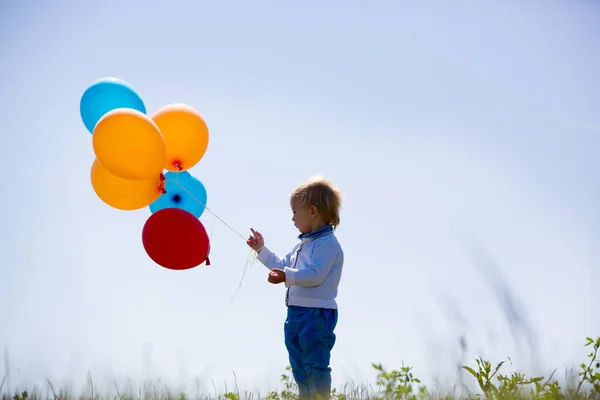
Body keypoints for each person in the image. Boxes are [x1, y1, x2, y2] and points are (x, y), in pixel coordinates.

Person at [247, 175, 344, 400]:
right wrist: (261, 250)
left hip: (317, 315)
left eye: (294, 212)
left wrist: (285, 276)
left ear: (312, 211)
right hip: (296, 313)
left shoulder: (328, 244)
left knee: (315, 363)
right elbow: (283, 265)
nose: (292, 219)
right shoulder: (304, 245)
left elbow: (314, 275)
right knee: (299, 366)